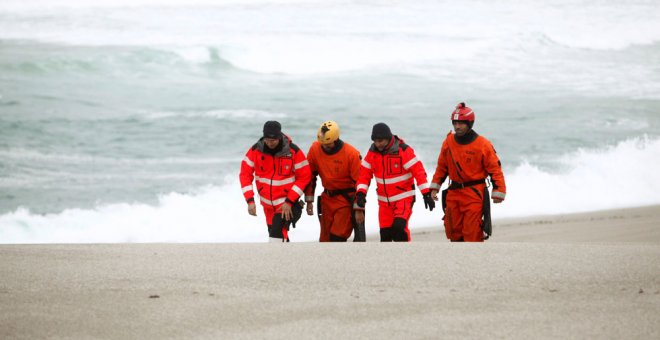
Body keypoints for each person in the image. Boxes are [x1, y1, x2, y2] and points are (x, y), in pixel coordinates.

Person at [429, 102, 507, 242]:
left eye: (461, 123)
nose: (457, 126)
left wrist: (498, 191)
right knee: (453, 231)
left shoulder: (483, 144)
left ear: (470, 123)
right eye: (455, 123)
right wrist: (435, 187)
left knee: (472, 233)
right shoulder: (448, 142)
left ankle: (473, 261)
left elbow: (495, 169)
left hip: (474, 193)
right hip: (453, 193)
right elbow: (442, 167)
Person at [354, 122, 435, 242]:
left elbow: (419, 172)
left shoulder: (403, 150)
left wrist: (426, 193)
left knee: (399, 229)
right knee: (385, 236)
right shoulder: (372, 153)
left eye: (380, 141)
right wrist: (361, 193)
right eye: (375, 141)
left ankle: (405, 258)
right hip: (384, 204)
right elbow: (364, 175)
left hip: (404, 199)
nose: (378, 144)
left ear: (388, 138)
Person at [239, 121, 311, 242]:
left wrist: (289, 201)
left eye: (273, 140)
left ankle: (276, 259)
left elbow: (305, 176)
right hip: (267, 206)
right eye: (267, 140)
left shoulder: (293, 151)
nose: (270, 143)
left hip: (287, 204)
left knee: (275, 237)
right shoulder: (255, 150)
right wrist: (250, 200)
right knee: (277, 236)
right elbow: (245, 174)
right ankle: (286, 259)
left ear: (279, 137)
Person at [304, 120, 363, 242]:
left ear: (336, 140)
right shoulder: (315, 149)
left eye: (328, 144)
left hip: (345, 200)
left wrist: (359, 209)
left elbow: (361, 183)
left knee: (337, 237)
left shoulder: (351, 154)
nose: (325, 146)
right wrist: (309, 200)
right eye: (323, 144)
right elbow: (310, 176)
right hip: (327, 200)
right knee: (325, 240)